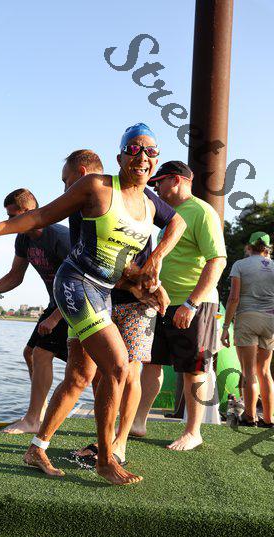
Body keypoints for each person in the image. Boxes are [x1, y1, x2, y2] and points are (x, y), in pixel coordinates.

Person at [0, 123, 186, 485]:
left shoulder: (149, 202)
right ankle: (106, 459)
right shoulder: (97, 186)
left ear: (156, 159)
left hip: (103, 292)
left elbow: (178, 224)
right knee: (118, 367)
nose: (142, 157)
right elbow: (40, 216)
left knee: (79, 376)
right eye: (134, 149)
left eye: (151, 151)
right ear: (120, 157)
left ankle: (37, 447)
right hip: (76, 284)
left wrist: (155, 260)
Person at [67, 154, 176, 466]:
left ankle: (120, 444)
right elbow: (87, 263)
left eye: (66, 181)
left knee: (130, 372)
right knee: (102, 374)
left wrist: (154, 266)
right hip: (102, 296)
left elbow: (175, 222)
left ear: (82, 174)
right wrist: (134, 285)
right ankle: (105, 440)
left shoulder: (135, 193)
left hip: (138, 303)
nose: (65, 188)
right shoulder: (77, 211)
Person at [131, 161, 227, 451]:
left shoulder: (202, 212)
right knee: (151, 363)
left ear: (175, 180)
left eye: (158, 182)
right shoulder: (170, 216)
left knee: (193, 369)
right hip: (162, 304)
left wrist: (191, 303)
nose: (156, 188)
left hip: (194, 304)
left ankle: (193, 432)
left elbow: (217, 260)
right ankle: (138, 421)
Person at [0, 188, 71, 434]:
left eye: (12, 217)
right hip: (56, 302)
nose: (10, 222)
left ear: (28, 212)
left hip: (74, 303)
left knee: (45, 354)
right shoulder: (23, 239)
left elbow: (80, 282)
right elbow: (14, 277)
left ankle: (33, 419)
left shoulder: (59, 237)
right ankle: (38, 411)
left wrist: (55, 318)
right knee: (31, 353)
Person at [221, 232, 274, 427]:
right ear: (267, 248)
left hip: (247, 319)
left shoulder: (240, 265)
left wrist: (225, 326)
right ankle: (269, 419)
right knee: (265, 371)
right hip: (270, 321)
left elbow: (234, 298)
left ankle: (250, 418)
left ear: (249, 247)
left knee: (249, 371)